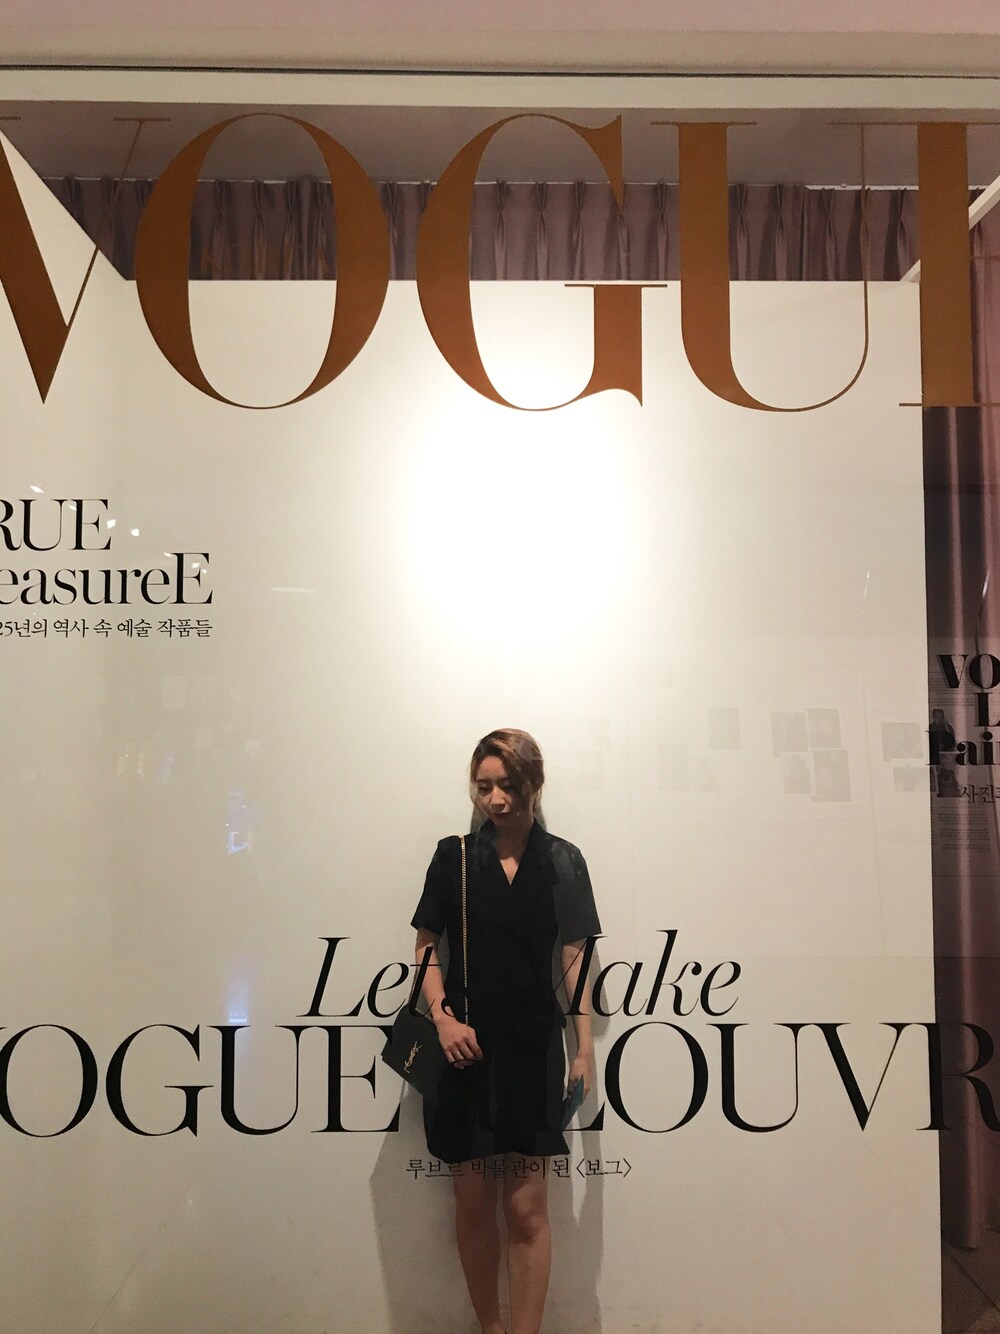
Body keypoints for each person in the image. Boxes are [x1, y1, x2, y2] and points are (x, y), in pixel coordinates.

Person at [410, 728, 601, 1334]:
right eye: (484, 786)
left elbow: (574, 957)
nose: (495, 799)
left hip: (532, 1046)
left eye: (509, 785)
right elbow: (426, 948)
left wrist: (584, 1046)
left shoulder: (563, 860)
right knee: (471, 1205)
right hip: (462, 1046)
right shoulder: (455, 857)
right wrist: (442, 1019)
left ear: (534, 785)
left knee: (526, 1210)